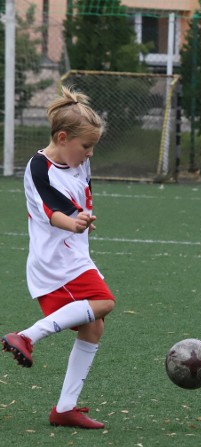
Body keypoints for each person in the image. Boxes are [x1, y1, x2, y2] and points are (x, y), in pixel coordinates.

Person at [1, 86, 115, 429]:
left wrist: (82, 221)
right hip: (55, 261)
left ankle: (65, 408)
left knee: (94, 326)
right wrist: (75, 221)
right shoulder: (39, 168)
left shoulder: (77, 161)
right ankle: (26, 336)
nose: (90, 153)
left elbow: (79, 197)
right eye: (85, 146)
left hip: (74, 255)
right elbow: (52, 212)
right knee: (104, 302)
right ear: (62, 137)